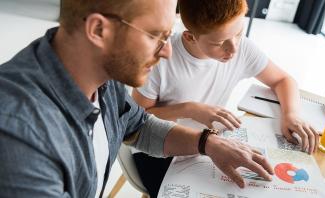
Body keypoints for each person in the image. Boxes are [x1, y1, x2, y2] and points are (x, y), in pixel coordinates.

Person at [0, 0, 276, 197]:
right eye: (156, 35)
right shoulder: (19, 137)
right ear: (98, 30)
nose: (167, 52)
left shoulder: (103, 79)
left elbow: (139, 125)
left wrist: (208, 142)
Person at [132, 0, 320, 197]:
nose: (233, 49)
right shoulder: (160, 58)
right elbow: (137, 120)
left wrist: (291, 114)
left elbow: (283, 79)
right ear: (190, 37)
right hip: (159, 148)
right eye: (220, 43)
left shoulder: (241, 48)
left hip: (210, 144)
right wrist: (190, 109)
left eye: (238, 33)